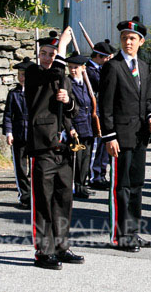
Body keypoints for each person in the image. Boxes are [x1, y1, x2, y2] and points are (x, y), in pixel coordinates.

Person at [98, 16, 151, 252]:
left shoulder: (143, 67)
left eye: (133, 38)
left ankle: (133, 232)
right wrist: (109, 136)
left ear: (141, 42)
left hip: (139, 136)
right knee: (120, 187)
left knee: (136, 185)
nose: (128, 42)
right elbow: (105, 106)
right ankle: (120, 236)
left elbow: (148, 101)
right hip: (120, 137)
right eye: (124, 38)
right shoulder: (113, 67)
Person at [25, 28, 84, 270]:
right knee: (43, 201)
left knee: (63, 199)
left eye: (52, 53)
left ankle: (61, 246)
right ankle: (43, 251)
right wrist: (62, 48)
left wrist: (67, 102)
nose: (48, 58)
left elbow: (74, 110)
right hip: (43, 146)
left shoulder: (64, 78)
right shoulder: (34, 74)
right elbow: (54, 74)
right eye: (45, 53)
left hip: (64, 148)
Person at [4, 57, 33, 209]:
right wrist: (9, 132)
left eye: (26, 75)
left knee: (36, 168)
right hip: (19, 133)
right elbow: (8, 115)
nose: (22, 78)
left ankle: (37, 196)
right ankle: (25, 196)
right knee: (21, 168)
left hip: (34, 135)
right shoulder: (13, 94)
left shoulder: (37, 92)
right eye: (20, 74)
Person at [87, 40, 116, 190]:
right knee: (96, 147)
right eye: (106, 58)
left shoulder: (100, 69)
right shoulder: (90, 71)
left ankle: (101, 174)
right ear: (99, 56)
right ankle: (94, 175)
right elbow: (101, 85)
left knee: (103, 147)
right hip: (94, 113)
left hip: (103, 112)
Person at [66, 54, 94, 199]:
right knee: (77, 158)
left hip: (88, 126)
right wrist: (70, 127)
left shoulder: (86, 83)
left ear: (83, 68)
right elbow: (66, 109)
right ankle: (76, 186)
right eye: (70, 67)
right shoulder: (68, 83)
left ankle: (83, 184)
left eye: (75, 67)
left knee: (86, 158)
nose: (72, 70)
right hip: (77, 127)